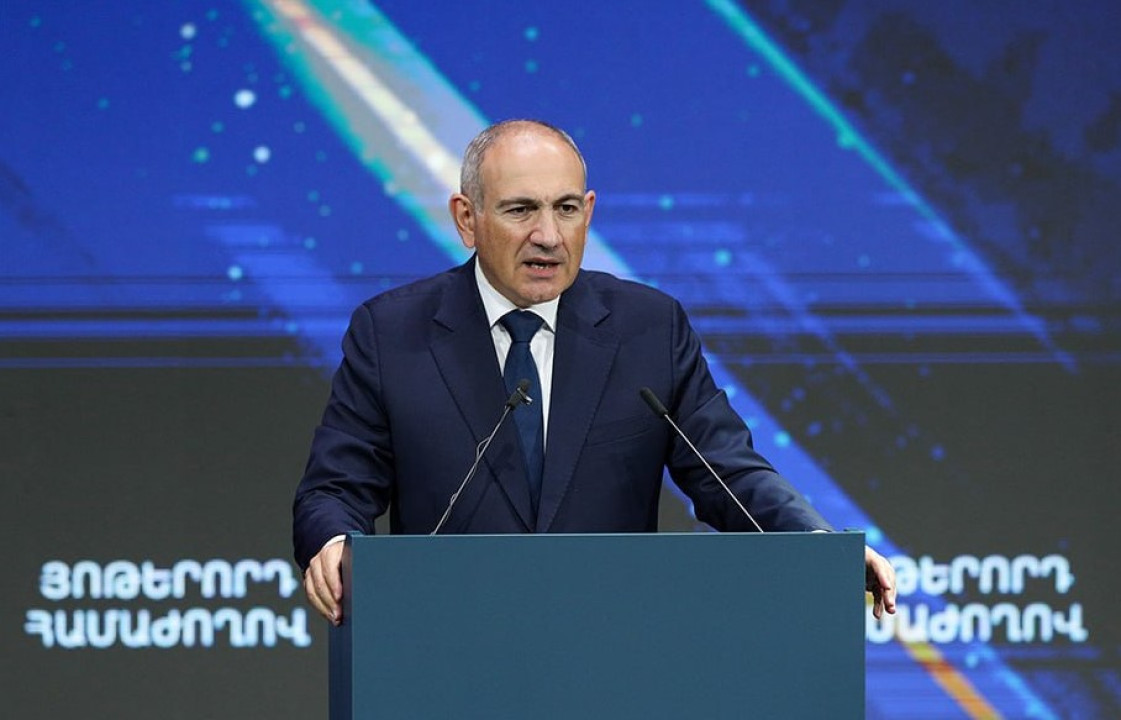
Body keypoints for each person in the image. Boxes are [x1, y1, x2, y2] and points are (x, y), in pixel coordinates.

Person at [294, 119, 896, 625]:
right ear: (466, 218)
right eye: (520, 210)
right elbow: (336, 488)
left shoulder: (648, 329)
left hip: (610, 646)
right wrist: (336, 544)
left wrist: (818, 547)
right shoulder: (393, 333)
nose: (548, 236)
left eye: (565, 209)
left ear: (588, 212)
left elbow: (727, 472)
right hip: (445, 642)